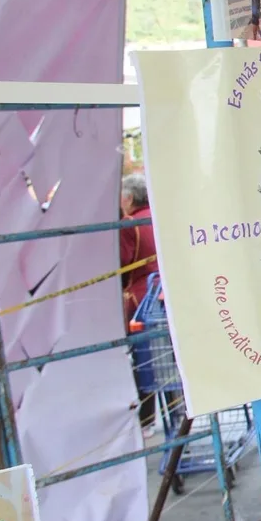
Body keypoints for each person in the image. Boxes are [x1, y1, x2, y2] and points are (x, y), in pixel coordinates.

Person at [120, 173, 164, 438]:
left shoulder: (129, 225)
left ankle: (147, 419)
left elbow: (123, 265)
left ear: (129, 198)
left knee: (144, 364)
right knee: (165, 357)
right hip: (160, 295)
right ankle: (178, 408)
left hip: (139, 299)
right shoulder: (156, 216)